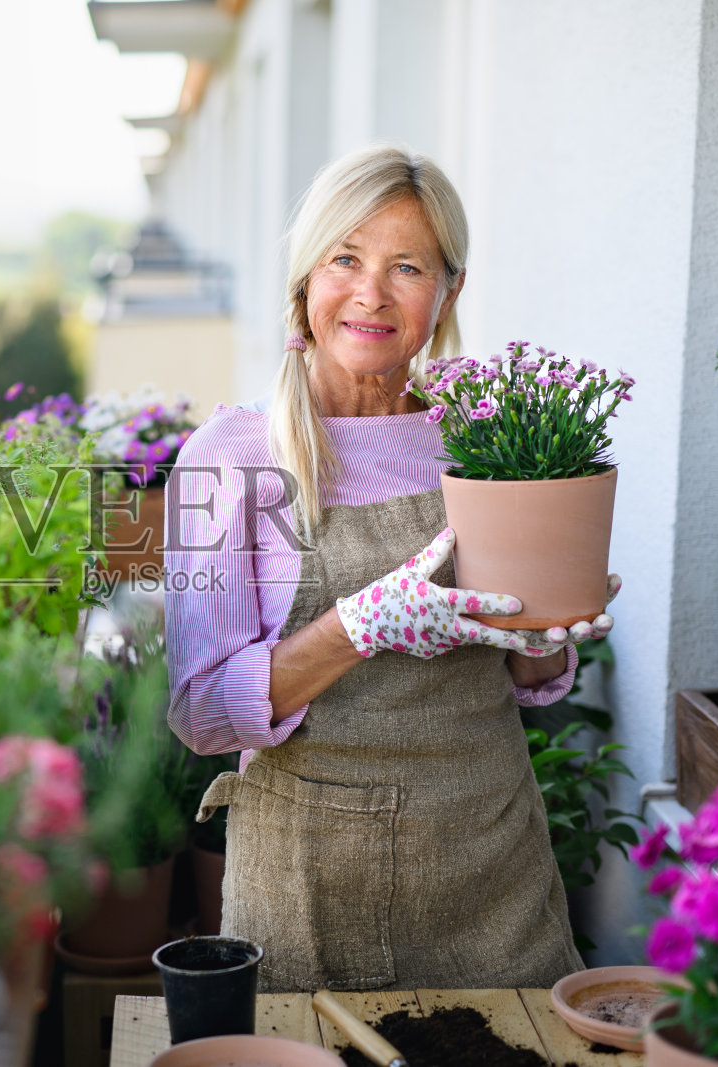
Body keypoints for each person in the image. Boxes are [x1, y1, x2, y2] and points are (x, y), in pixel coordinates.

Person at [164, 144, 618, 994]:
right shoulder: (229, 455)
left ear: (447, 292)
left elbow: (524, 669)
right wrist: (357, 628)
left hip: (494, 866)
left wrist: (552, 636)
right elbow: (198, 714)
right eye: (346, 258)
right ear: (305, 278)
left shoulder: (485, 440)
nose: (371, 292)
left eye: (406, 266)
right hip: (311, 882)